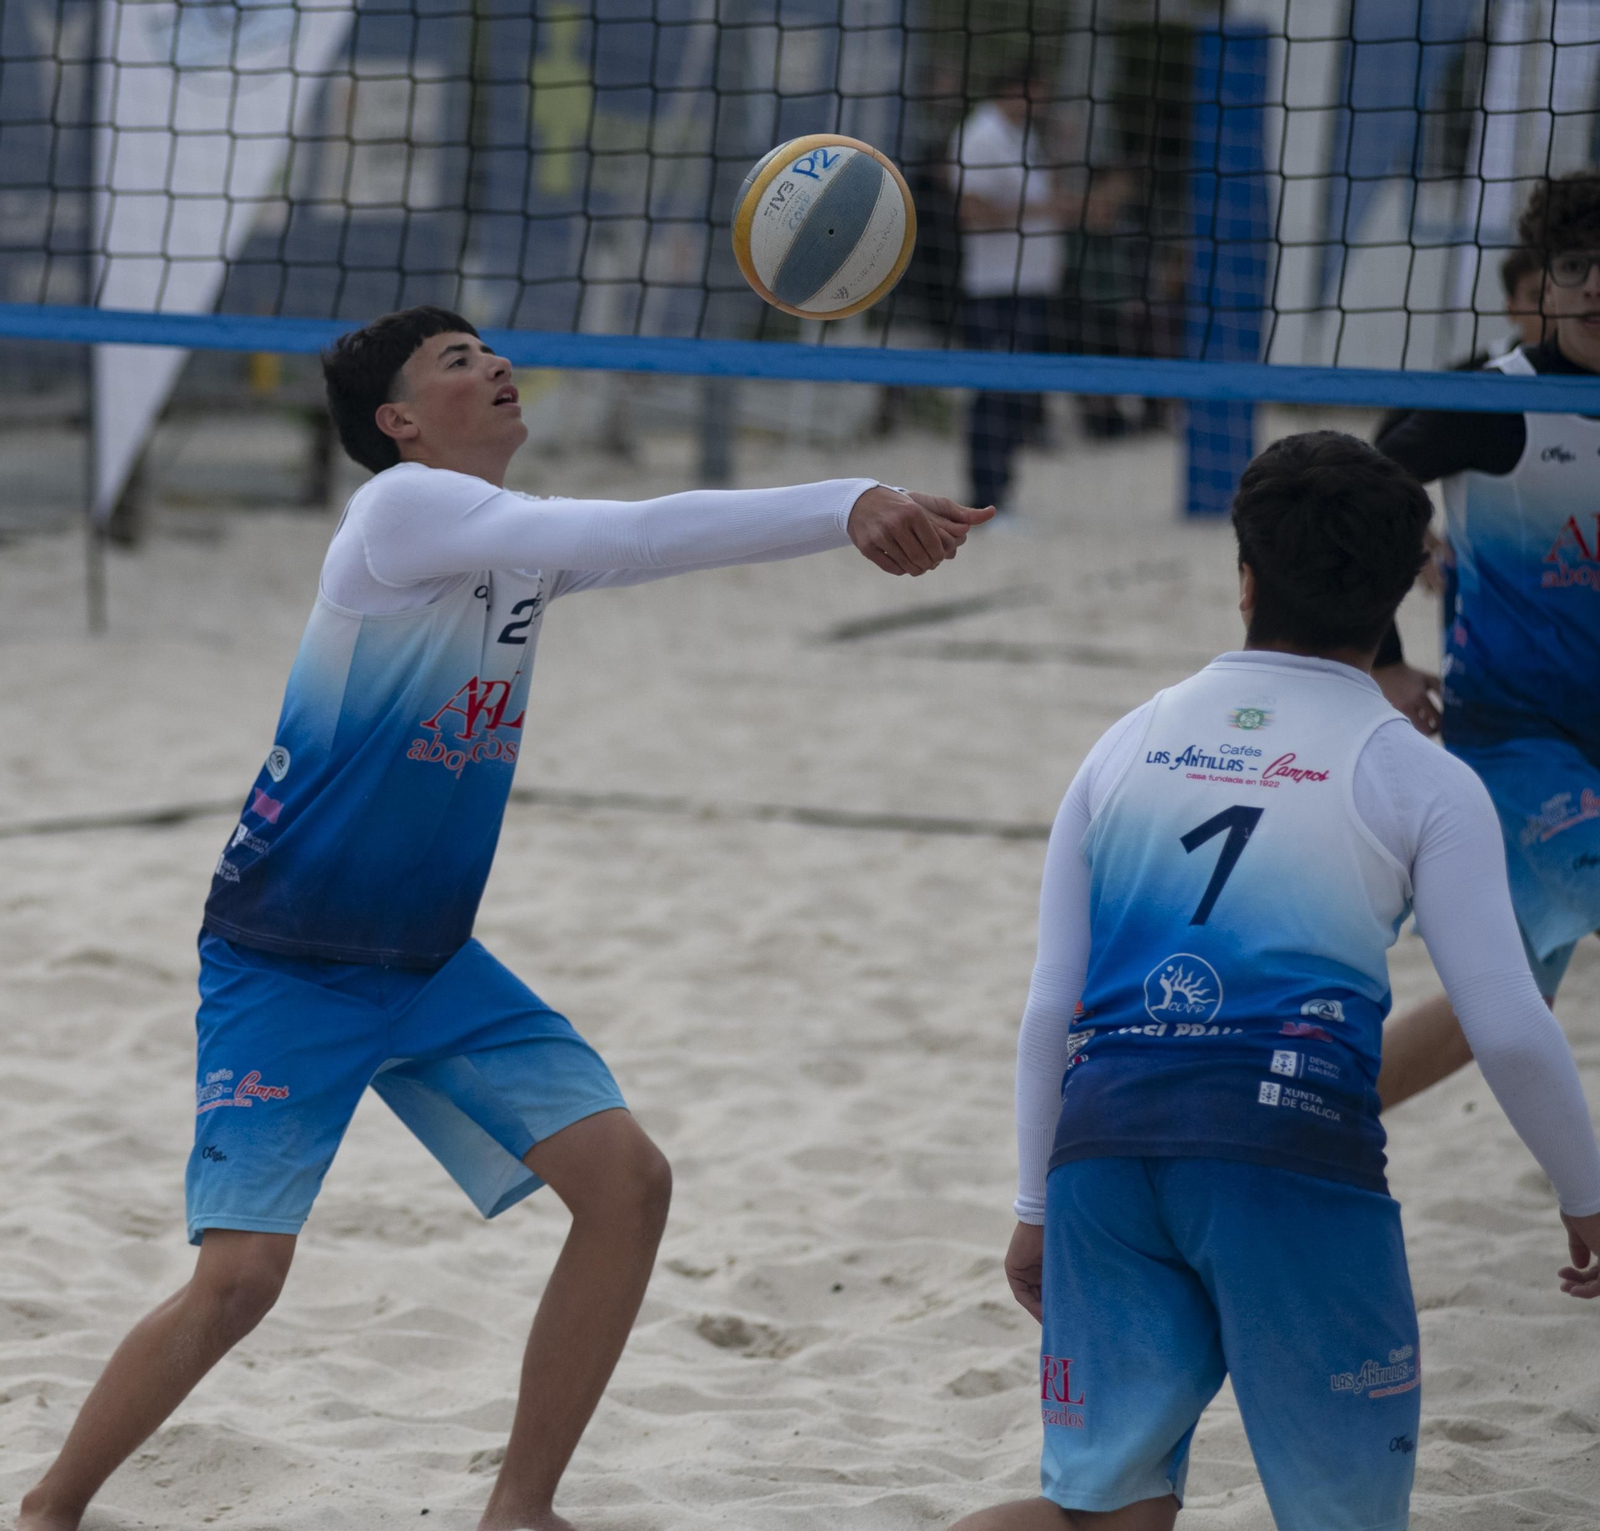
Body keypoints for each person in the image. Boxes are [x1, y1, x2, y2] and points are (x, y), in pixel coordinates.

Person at [16, 306, 992, 1531]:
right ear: (398, 421)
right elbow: (633, 527)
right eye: (457, 360)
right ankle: (50, 1509)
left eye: (489, 349)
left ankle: (519, 1508)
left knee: (626, 1184)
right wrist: (848, 497)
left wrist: (842, 513)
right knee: (241, 1282)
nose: (495, 364)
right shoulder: (399, 511)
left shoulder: (511, 544)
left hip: (428, 957)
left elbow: (657, 544)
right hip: (291, 956)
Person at [949, 431, 1600, 1531]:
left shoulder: (1124, 743)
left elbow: (1050, 1006)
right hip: (1289, 1156)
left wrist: (1033, 1202)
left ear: (1245, 577)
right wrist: (1585, 1194)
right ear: (1399, 593)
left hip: (1105, 1152)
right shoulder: (1423, 779)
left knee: (1099, 1519)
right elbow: (1508, 1024)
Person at [1371, 172, 1600, 1107]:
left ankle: (1308, 1115)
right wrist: (1381, 659)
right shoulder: (1496, 401)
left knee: (1499, 1009)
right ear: (1542, 283)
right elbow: (1360, 487)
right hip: (1515, 738)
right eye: (1575, 265)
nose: (1594, 285)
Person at [948, 63, 1077, 514]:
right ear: (1013, 90)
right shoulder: (980, 135)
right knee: (995, 394)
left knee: (1017, 396)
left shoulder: (1023, 136)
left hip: (1029, 285)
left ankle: (1002, 495)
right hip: (996, 288)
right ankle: (986, 496)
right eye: (1035, 93)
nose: (1041, 103)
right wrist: (1044, 209)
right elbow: (971, 211)